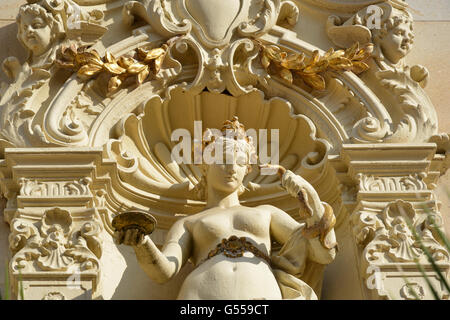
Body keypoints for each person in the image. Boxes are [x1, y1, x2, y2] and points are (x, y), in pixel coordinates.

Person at [114, 117, 337, 299]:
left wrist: (302, 189)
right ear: (204, 166)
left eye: (240, 162)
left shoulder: (266, 213)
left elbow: (320, 251)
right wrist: (142, 243)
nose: (232, 168)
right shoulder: (188, 223)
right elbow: (164, 272)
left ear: (247, 169)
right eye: (222, 159)